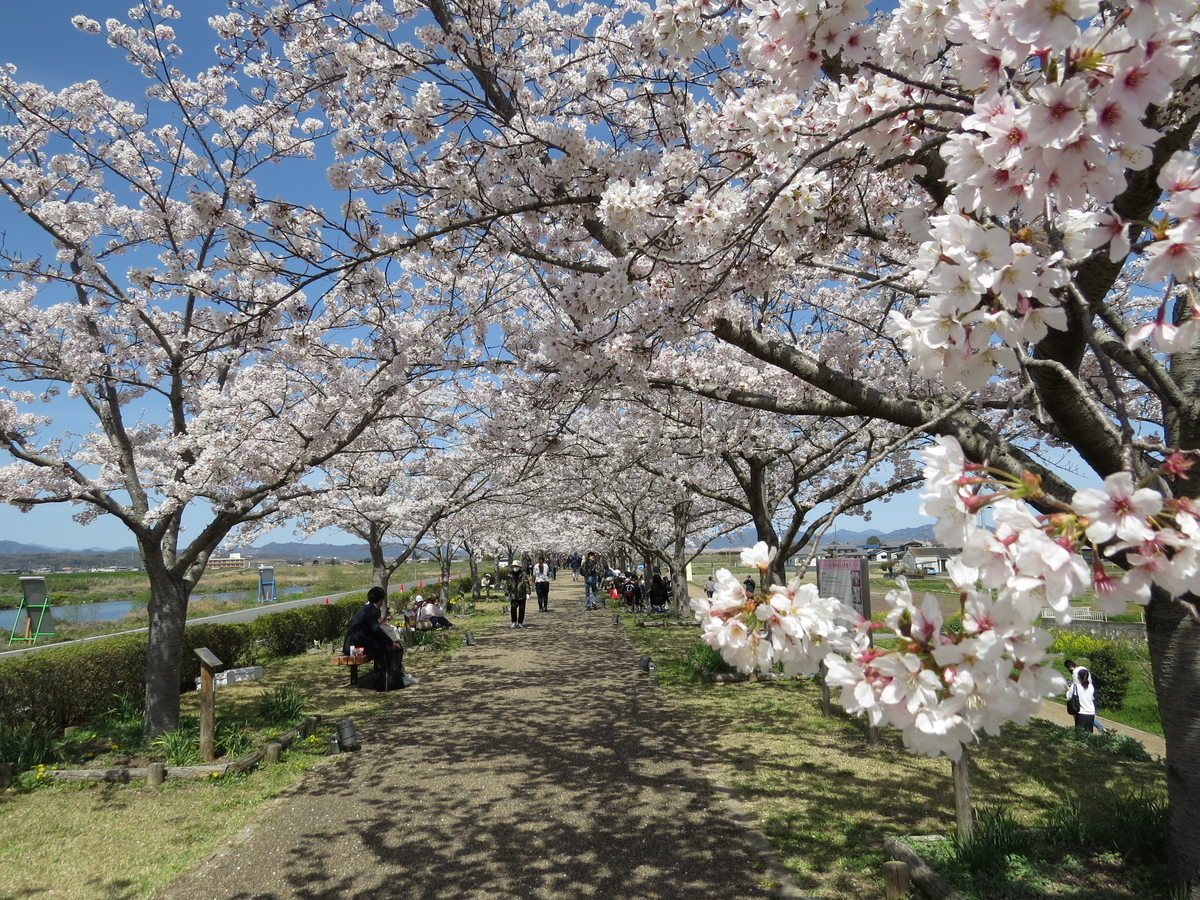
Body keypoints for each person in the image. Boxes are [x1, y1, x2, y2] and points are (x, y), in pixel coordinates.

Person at [343, 587, 404, 691]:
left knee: (383, 646)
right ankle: (386, 679)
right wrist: (390, 642)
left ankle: (383, 675)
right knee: (389, 648)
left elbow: (369, 627)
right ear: (381, 600)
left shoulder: (365, 608)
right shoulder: (372, 610)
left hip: (350, 645)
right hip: (357, 648)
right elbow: (375, 630)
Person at [1065, 659, 1096, 732]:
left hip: (1081, 713)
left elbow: (1069, 697)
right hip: (1091, 713)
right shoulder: (1091, 687)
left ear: (1078, 677)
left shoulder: (1076, 686)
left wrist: (1068, 689)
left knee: (1079, 735)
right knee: (1089, 734)